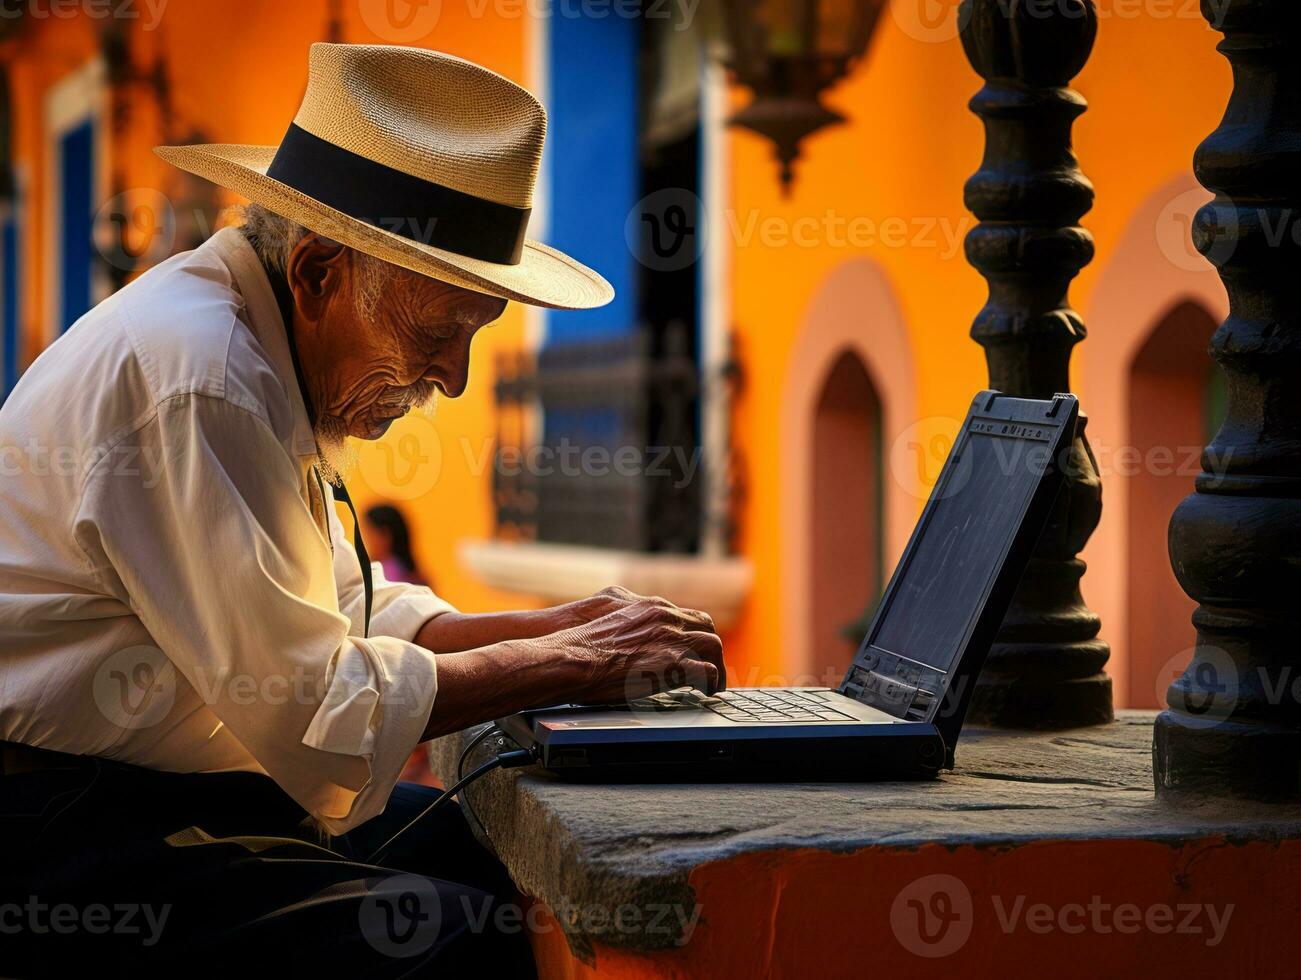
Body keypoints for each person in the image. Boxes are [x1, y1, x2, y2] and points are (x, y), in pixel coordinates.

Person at [0, 44, 723, 976]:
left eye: (474, 337)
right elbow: (313, 705)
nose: (452, 380)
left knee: (469, 847)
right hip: (58, 833)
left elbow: (349, 615)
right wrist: (569, 661)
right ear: (317, 274)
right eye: (435, 334)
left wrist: (562, 628)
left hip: (142, 799)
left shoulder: (250, 346)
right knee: (456, 939)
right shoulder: (202, 376)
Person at [364, 504, 427, 587]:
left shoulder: (386, 574)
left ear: (385, 535)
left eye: (369, 532)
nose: (364, 539)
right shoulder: (410, 572)